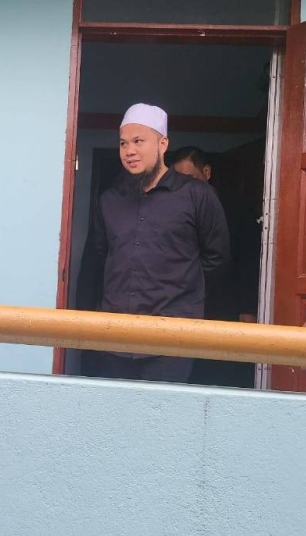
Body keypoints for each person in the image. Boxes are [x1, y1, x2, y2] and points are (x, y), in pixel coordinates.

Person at [83, 104, 230, 383]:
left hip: (172, 339)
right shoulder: (110, 200)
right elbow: (98, 260)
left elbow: (217, 258)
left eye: (139, 141)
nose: (129, 151)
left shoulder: (196, 195)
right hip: (115, 335)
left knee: (163, 410)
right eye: (124, 143)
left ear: (163, 144)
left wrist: (179, 295)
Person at [170, 146, 257, 388]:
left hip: (225, 303)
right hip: (184, 306)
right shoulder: (170, 208)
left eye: (190, 178)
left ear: (206, 172)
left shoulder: (234, 208)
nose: (185, 186)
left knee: (221, 372)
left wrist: (248, 310)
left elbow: (248, 261)